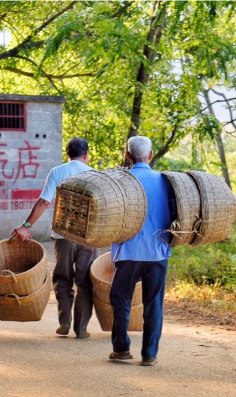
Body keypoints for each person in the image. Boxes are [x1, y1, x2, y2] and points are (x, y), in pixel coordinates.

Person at [12, 137, 98, 339]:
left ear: (67, 154)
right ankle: (82, 328)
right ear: (87, 154)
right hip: (89, 237)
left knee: (63, 278)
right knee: (85, 281)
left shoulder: (58, 172)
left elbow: (43, 202)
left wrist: (26, 226)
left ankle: (65, 322)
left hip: (63, 235)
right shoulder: (96, 176)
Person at [108, 136, 172, 367]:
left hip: (128, 251)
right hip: (157, 251)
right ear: (151, 155)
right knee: (153, 303)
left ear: (127, 155)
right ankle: (149, 354)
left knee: (120, 298)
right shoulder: (167, 182)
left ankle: (122, 349)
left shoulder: (119, 182)